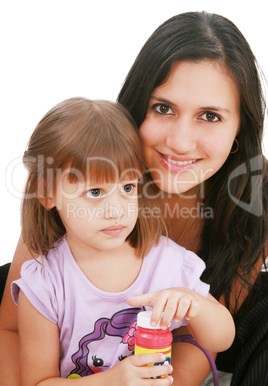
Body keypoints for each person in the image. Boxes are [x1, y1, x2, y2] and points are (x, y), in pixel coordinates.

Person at [0, 10, 267, 385]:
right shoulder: (96, 156)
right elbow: (11, 330)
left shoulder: (253, 193)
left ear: (241, 126)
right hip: (58, 335)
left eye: (210, 116)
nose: (179, 142)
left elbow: (205, 337)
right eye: (162, 108)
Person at [10, 97, 234, 386]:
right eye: (95, 192)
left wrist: (194, 305)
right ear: (47, 194)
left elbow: (224, 338)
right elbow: (38, 383)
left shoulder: (166, 263)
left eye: (128, 187)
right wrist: (114, 380)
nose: (116, 209)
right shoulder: (44, 285)